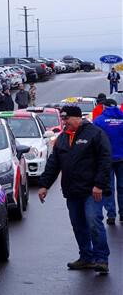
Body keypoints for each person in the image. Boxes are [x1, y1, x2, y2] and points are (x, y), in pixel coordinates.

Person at [38, 104, 112, 273]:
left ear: (78, 118)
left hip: (91, 191)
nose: (65, 122)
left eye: (67, 119)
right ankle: (86, 257)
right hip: (72, 191)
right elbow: (53, 164)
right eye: (63, 119)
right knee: (78, 225)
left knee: (93, 221)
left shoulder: (95, 133)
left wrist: (99, 185)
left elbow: (105, 160)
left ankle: (101, 259)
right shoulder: (62, 138)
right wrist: (44, 185)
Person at [94, 100, 123, 225]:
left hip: (105, 159)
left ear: (104, 107)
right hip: (122, 158)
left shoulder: (98, 121)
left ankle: (111, 214)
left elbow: (94, 140)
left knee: (108, 187)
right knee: (122, 187)